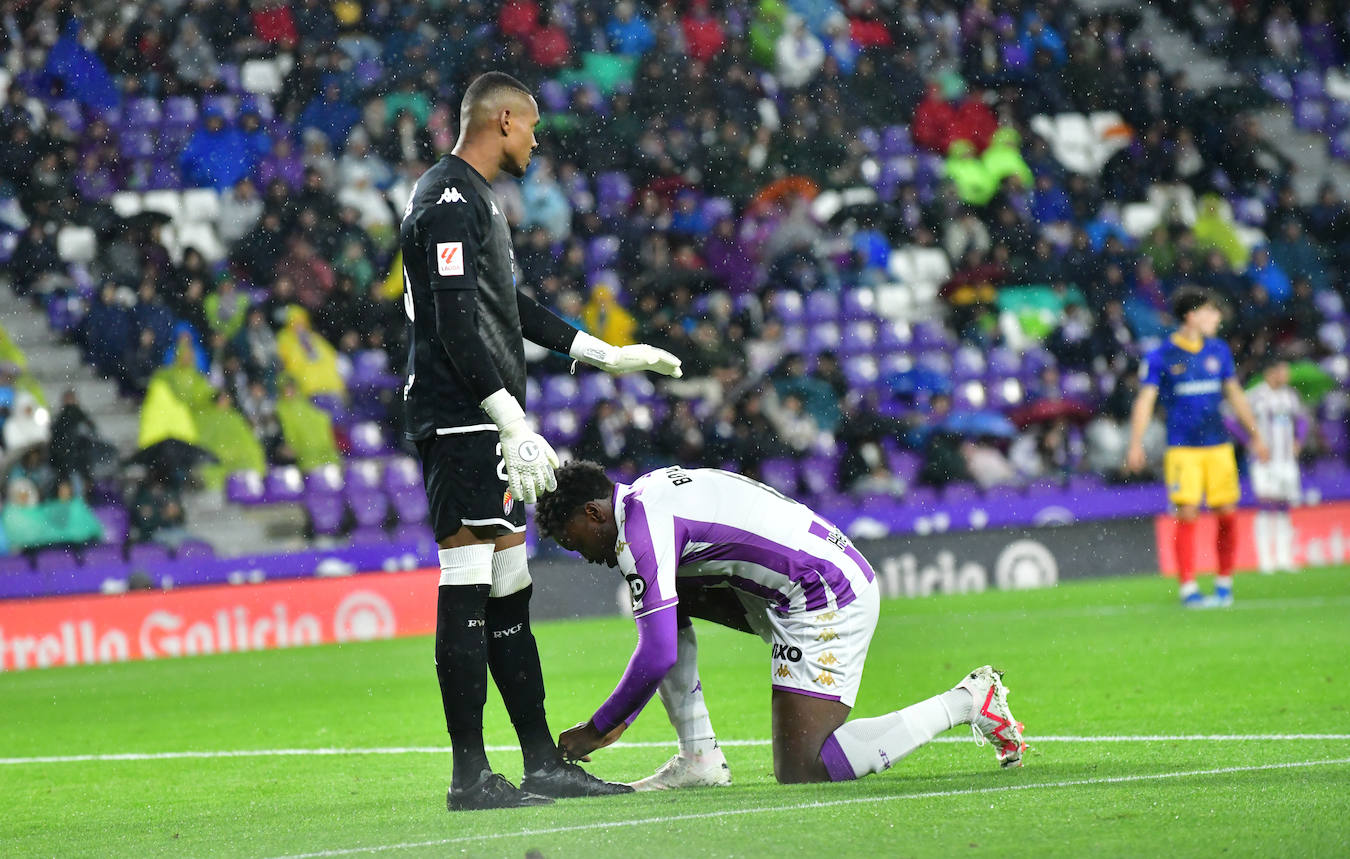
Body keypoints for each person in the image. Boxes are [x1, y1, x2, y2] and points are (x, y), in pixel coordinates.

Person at [400, 71, 682, 811]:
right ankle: (470, 774)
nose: (534, 141)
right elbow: (456, 325)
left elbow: (507, 306)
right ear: (500, 121)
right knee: (466, 574)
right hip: (461, 417)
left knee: (507, 585)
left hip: (483, 417)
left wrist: (603, 353)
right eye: (528, 128)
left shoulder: (474, 198)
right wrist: (509, 417)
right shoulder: (448, 199)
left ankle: (538, 762)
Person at [536, 461, 1027, 787]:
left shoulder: (640, 534)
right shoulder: (649, 492)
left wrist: (598, 729)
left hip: (825, 594)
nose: (583, 555)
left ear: (594, 511)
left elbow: (658, 653)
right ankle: (699, 759)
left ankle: (966, 701)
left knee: (803, 768)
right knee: (668, 599)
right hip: (804, 576)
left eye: (574, 540)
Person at [1126, 287, 1270, 607]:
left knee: (1227, 513)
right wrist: (1135, 442)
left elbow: (1235, 394)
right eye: (1211, 311)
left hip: (1218, 445)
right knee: (1188, 512)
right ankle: (1189, 587)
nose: (1217, 318)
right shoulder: (1161, 356)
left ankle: (1224, 583)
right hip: (1182, 447)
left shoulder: (1218, 351)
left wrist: (1255, 435)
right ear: (1191, 316)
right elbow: (1145, 400)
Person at [1242, 359, 1308, 574]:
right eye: (1283, 370)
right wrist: (1249, 440)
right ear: (1271, 372)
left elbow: (1302, 420)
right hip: (1264, 461)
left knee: (1283, 507)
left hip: (1286, 460)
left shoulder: (1290, 395)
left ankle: (1284, 558)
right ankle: (1265, 559)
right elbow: (1231, 418)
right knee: (1266, 505)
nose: (1287, 374)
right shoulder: (1255, 395)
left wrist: (1299, 439)